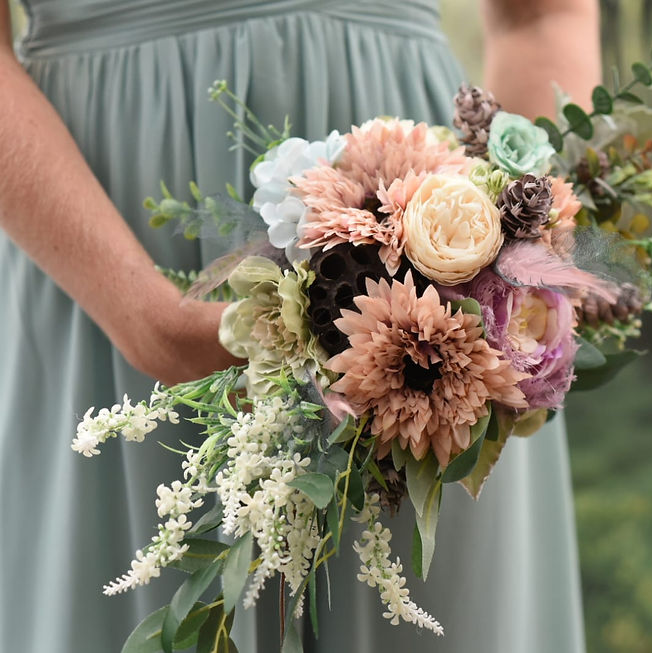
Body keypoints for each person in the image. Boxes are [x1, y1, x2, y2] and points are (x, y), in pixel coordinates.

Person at [0, 0, 599, 650]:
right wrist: (147, 318)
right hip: (97, 236)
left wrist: (521, 250)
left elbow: (543, 17)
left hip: (434, 256)